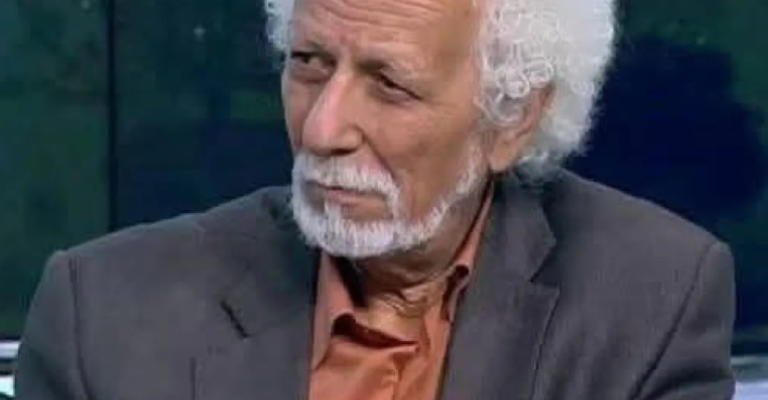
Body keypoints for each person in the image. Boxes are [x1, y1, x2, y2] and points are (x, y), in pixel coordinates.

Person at [15, 0, 736, 399]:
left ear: (512, 116)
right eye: (309, 63)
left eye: (389, 84)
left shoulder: (650, 303)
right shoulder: (100, 316)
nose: (321, 130)